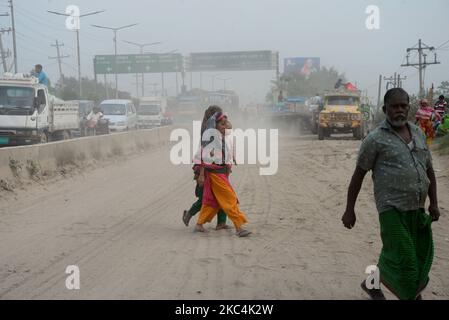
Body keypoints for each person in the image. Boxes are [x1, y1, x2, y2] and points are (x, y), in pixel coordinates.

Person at [342, 88, 440, 300]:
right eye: (394, 107)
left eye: (403, 106)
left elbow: (429, 168)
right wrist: (349, 209)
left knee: (400, 253)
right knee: (406, 257)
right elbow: (358, 175)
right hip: (391, 208)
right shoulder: (375, 139)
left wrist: (434, 202)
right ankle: (412, 295)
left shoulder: (418, 133)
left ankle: (371, 283)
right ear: (385, 109)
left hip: (416, 207)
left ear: (408, 107)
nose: (399, 110)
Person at [195, 112, 251, 237]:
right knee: (230, 198)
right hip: (215, 174)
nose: (225, 126)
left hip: (221, 174)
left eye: (225, 124)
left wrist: (222, 121)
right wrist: (202, 175)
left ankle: (199, 224)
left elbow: (229, 127)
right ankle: (239, 227)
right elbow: (204, 158)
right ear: (215, 125)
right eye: (221, 124)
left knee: (213, 201)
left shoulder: (222, 136)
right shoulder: (211, 139)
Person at [182, 106, 230, 230]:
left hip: (218, 169)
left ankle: (221, 223)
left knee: (222, 196)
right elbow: (204, 155)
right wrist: (202, 174)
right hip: (207, 169)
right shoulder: (208, 132)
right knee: (205, 197)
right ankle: (190, 215)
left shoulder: (218, 129)